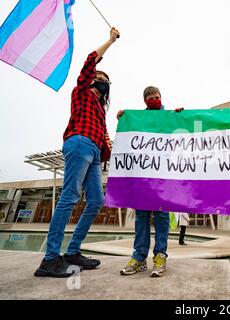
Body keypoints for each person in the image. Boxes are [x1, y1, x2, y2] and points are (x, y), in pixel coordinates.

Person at [34, 28, 120, 278]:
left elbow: (103, 147)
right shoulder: (81, 92)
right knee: (70, 197)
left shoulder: (102, 111)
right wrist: (110, 41)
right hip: (79, 143)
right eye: (99, 78)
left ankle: (72, 252)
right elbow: (90, 61)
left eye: (106, 80)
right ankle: (50, 259)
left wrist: (107, 146)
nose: (102, 81)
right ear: (93, 80)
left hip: (93, 153)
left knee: (95, 201)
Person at [118, 86, 171, 277]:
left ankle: (160, 255)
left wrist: (182, 117)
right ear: (145, 101)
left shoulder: (171, 117)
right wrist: (124, 119)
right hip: (143, 178)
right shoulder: (137, 119)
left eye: (157, 97)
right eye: (151, 98)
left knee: (161, 219)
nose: (155, 100)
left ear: (161, 97)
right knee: (141, 218)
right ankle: (139, 257)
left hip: (163, 180)